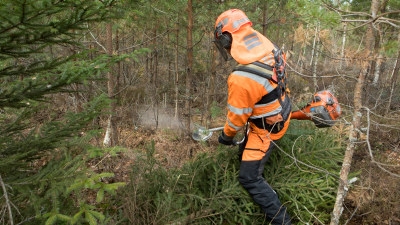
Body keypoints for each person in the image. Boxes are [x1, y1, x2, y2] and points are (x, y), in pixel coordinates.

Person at [214, 9, 341, 225]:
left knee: (249, 178)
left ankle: (283, 221)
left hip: (266, 129)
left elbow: (236, 118)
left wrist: (226, 136)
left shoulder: (242, 77)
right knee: (245, 155)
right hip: (280, 110)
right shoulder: (269, 49)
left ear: (227, 37)